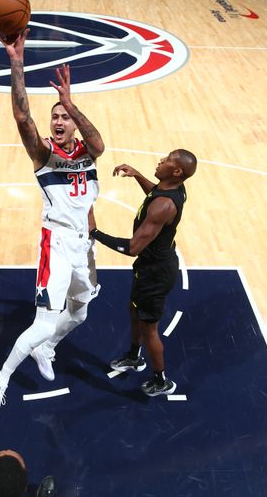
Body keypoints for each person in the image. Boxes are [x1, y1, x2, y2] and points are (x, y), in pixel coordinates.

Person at [0, 29, 105, 420]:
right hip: (56, 241)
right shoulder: (44, 154)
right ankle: (0, 379)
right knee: (43, 321)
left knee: (81, 311)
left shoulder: (89, 151)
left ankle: (46, 348)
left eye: (64, 116)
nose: (59, 120)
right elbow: (21, 115)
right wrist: (17, 61)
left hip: (83, 242)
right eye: (55, 116)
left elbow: (98, 144)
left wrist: (70, 101)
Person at [90, 150, 197, 397]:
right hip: (151, 268)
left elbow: (132, 248)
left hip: (155, 275)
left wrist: (95, 233)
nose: (161, 160)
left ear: (177, 171)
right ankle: (134, 356)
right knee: (133, 309)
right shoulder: (172, 189)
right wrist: (138, 175)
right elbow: (156, 193)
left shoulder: (164, 206)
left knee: (150, 329)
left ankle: (161, 381)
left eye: (168, 160)